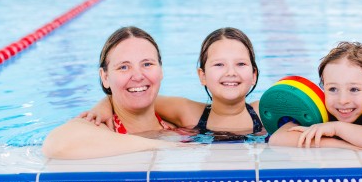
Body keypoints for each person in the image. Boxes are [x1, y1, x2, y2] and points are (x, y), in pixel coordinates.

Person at [81, 27, 263, 136]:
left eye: (240, 64)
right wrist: (103, 106)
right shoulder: (187, 112)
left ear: (254, 74)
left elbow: (142, 94)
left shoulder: (263, 112)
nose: (231, 73)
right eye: (219, 65)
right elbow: (128, 96)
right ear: (202, 76)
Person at [42, 26, 180, 159]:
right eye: (124, 67)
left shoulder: (179, 126)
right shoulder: (99, 130)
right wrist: (162, 145)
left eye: (147, 64)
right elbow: (56, 145)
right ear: (105, 77)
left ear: (161, 71)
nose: (138, 76)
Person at [269, 41, 362, 150]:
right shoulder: (320, 114)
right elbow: (277, 138)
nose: (343, 100)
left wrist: (336, 128)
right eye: (333, 89)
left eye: (354, 89)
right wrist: (340, 144)